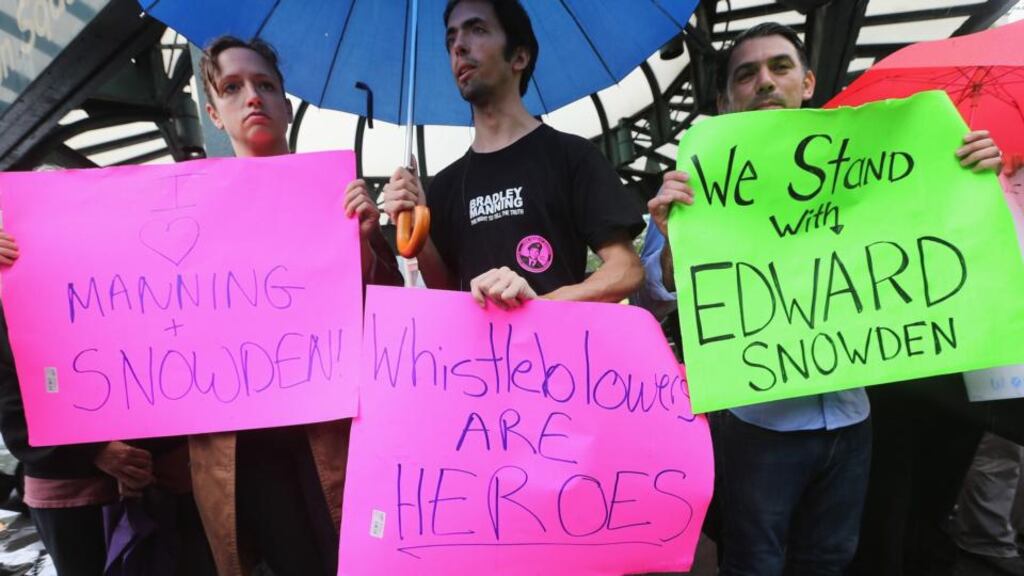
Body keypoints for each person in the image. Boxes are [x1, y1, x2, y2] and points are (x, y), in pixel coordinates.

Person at [642, 22, 1004, 576]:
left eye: (779, 67)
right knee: (754, 562)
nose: (765, 81)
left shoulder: (868, 163)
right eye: (747, 74)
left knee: (831, 559)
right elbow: (656, 301)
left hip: (853, 417)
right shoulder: (692, 182)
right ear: (725, 99)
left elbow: (939, 231)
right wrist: (670, 235)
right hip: (757, 426)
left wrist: (969, 176)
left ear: (807, 81)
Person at [190, 36, 402, 576]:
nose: (252, 98)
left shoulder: (337, 197)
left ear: (287, 104)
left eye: (265, 85)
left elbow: (392, 325)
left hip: (334, 435)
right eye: (233, 88)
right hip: (247, 445)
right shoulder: (189, 207)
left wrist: (362, 249)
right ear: (214, 113)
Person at [376, 0, 644, 308]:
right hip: (473, 355)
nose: (459, 46)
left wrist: (539, 305)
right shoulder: (445, 186)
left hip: (558, 352)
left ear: (518, 57)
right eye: (451, 39)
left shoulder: (573, 156)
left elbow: (626, 269)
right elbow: (448, 289)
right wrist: (415, 226)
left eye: (476, 30)